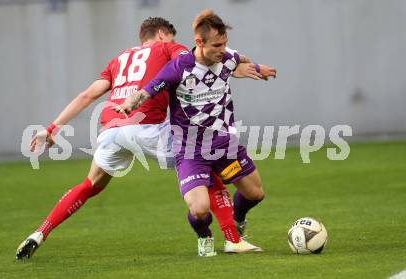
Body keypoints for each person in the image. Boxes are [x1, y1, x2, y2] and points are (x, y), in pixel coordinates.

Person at [16, 16, 263, 260]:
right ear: (161, 35)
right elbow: (195, 65)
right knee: (203, 155)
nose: (175, 42)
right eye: (171, 37)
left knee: (89, 185)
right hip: (148, 127)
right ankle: (232, 237)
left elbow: (86, 95)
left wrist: (52, 129)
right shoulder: (168, 47)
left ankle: (40, 232)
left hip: (112, 130)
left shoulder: (119, 60)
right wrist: (234, 67)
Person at [118, 9, 277, 256]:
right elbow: (149, 89)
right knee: (200, 209)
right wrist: (131, 103)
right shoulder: (178, 68)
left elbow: (239, 58)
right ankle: (204, 236)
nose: (222, 50)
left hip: (225, 145)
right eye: (216, 45)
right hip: (190, 150)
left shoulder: (227, 56)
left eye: (224, 43)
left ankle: (237, 219)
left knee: (256, 194)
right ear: (199, 42)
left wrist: (257, 67)